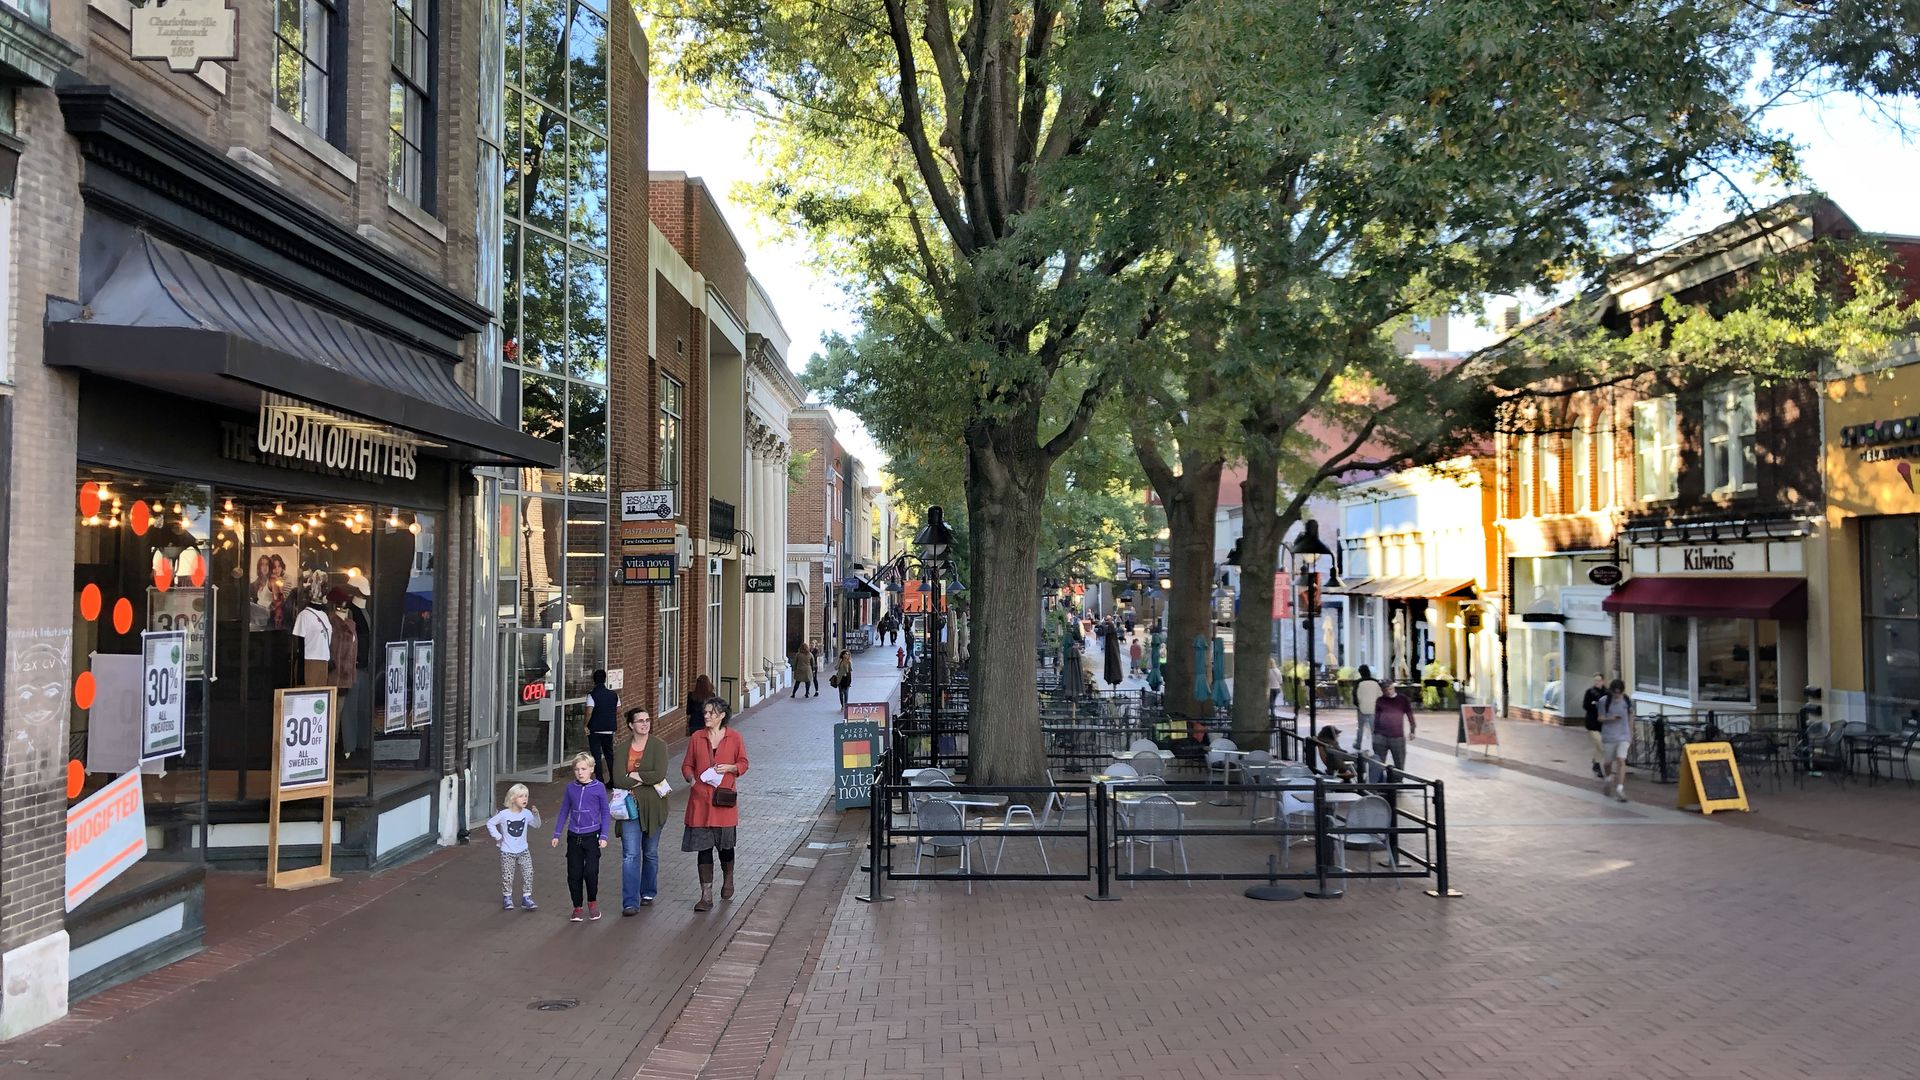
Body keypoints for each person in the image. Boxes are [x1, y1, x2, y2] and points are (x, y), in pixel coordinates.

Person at [682, 697, 749, 912]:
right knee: (703, 849)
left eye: (711, 712)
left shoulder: (734, 737)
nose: (706, 716)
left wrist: (731, 768)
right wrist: (691, 779)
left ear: (721, 716)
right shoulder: (696, 737)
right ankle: (706, 895)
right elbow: (687, 765)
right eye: (705, 712)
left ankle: (728, 877)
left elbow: (744, 763)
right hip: (700, 802)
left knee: (725, 847)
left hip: (723, 802)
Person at [549, 752, 611, 922]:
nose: (580, 772)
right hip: (574, 836)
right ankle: (577, 907)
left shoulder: (598, 788)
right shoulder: (571, 788)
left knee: (591, 872)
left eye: (583, 769)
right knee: (574, 873)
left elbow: (605, 812)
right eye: (576, 769)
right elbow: (564, 810)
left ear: (591, 769)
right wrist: (557, 833)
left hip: (592, 836)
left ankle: (592, 902)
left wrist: (604, 835)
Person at [619, 707, 669, 913]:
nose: (644, 724)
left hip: (654, 807)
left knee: (649, 852)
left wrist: (634, 774)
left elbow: (659, 774)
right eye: (640, 721)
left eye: (647, 720)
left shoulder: (659, 746)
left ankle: (648, 891)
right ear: (631, 725)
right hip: (629, 808)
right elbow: (619, 779)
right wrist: (643, 777)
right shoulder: (622, 749)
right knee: (630, 855)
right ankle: (630, 902)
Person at [486, 783, 541, 912]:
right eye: (521, 796)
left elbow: (537, 825)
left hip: (523, 850)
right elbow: (490, 823)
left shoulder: (527, 813)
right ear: (512, 798)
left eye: (526, 796)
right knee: (508, 876)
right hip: (507, 851)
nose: (525, 799)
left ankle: (526, 897)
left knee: (529, 872)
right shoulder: (504, 814)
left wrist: (536, 815)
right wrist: (498, 836)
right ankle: (507, 897)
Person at [1370, 681, 1416, 780]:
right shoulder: (1380, 700)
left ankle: (1398, 782)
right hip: (1380, 736)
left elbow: (1410, 714)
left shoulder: (1403, 699)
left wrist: (1412, 730)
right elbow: (1376, 717)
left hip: (1397, 736)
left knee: (1399, 762)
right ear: (1382, 691)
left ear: (1393, 688)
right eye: (1385, 690)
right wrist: (1375, 733)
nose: (1388, 692)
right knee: (1378, 762)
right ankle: (1379, 782)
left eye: (1390, 689)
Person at [1598, 678, 1633, 802]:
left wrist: (1631, 733)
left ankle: (1620, 788)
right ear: (1611, 691)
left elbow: (1630, 717)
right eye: (1615, 693)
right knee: (1608, 762)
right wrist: (1611, 718)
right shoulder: (1604, 701)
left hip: (1623, 735)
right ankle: (1608, 779)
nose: (1617, 696)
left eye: (1619, 693)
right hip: (1609, 735)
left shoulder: (1627, 701)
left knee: (1621, 760)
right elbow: (1600, 718)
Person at [587, 669, 619, 783]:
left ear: (594, 680)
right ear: (605, 679)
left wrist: (585, 725)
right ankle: (613, 780)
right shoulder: (614, 695)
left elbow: (589, 712)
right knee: (609, 755)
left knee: (596, 756)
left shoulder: (592, 695)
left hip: (595, 730)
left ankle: (599, 780)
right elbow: (617, 710)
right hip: (609, 729)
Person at [1581, 674, 1609, 778]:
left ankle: (1595, 761)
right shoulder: (1589, 692)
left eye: (1599, 680)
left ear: (1603, 681)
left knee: (1600, 746)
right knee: (1600, 745)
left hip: (1603, 724)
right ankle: (1598, 766)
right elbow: (1585, 705)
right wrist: (1594, 705)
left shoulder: (1607, 693)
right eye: (1595, 680)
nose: (1597, 682)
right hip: (1592, 723)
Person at [1352, 664, 1384, 752]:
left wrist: (1358, 705)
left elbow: (1355, 695)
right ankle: (1375, 745)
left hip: (1362, 708)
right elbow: (1380, 695)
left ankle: (1358, 744)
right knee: (1373, 728)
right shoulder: (1375, 682)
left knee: (1360, 727)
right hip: (1373, 708)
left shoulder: (1358, 682)